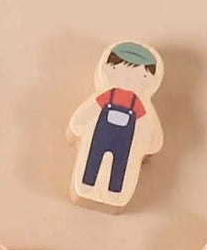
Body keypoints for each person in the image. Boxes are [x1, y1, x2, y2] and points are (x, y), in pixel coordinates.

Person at [67, 41, 164, 207]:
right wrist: (79, 122)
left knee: (121, 164)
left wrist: (150, 139)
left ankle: (114, 191)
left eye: (142, 75)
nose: (130, 78)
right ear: (109, 69)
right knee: (94, 157)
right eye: (123, 70)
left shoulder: (137, 102)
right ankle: (88, 183)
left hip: (125, 140)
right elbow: (91, 110)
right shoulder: (108, 95)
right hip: (101, 134)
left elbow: (143, 122)